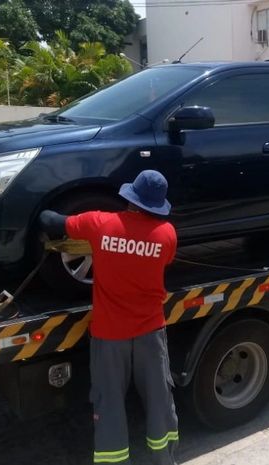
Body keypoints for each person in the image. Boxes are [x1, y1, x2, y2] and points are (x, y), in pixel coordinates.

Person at [39, 170, 179, 465]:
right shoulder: (167, 234)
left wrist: (40, 205)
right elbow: (162, 261)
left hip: (110, 334)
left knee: (109, 403)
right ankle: (164, 458)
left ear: (131, 198)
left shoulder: (100, 224)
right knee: (159, 399)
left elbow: (53, 221)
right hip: (151, 332)